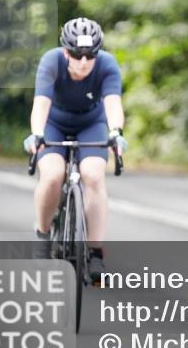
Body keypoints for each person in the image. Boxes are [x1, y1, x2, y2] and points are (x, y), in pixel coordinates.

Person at [24, 17, 127, 281]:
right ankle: (43, 236)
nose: (83, 62)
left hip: (90, 123)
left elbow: (113, 103)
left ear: (98, 53)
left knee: (93, 176)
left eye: (90, 55)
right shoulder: (51, 61)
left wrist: (116, 132)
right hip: (54, 123)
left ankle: (95, 253)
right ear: (65, 51)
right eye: (77, 55)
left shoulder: (107, 65)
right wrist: (36, 134)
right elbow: (41, 105)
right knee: (52, 175)